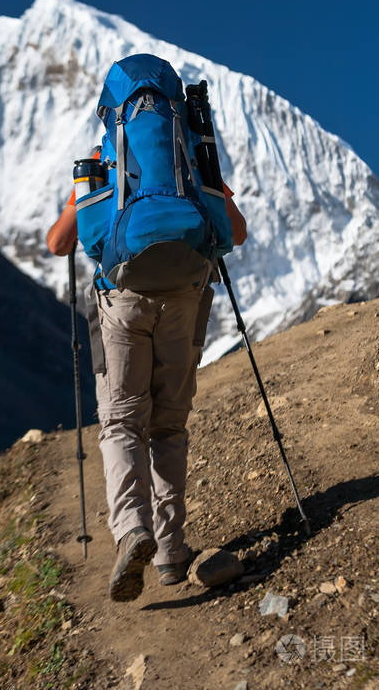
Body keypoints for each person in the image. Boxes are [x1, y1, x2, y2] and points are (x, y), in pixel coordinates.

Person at [47, 64, 247, 602]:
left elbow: (57, 243)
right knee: (169, 426)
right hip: (184, 297)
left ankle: (132, 529)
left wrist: (87, 188)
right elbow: (238, 232)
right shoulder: (191, 158)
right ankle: (171, 552)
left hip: (124, 303)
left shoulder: (104, 162)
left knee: (120, 424)